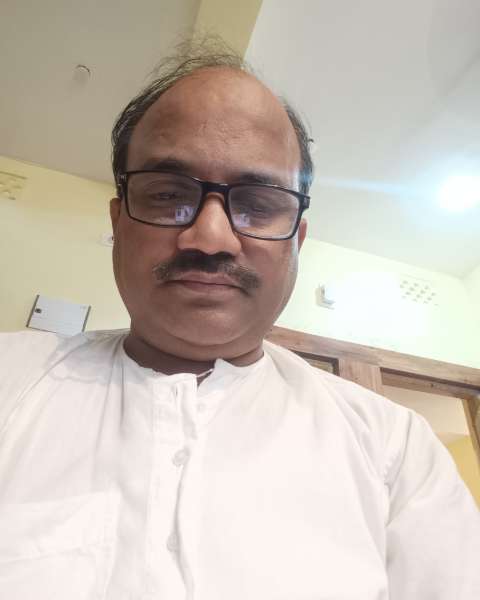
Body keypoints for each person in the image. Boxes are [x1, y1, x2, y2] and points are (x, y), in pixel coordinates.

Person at [0, 40, 479, 600]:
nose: (209, 237)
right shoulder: (10, 377)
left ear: (297, 240)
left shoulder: (394, 449)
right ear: (119, 220)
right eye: (168, 194)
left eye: (258, 203)